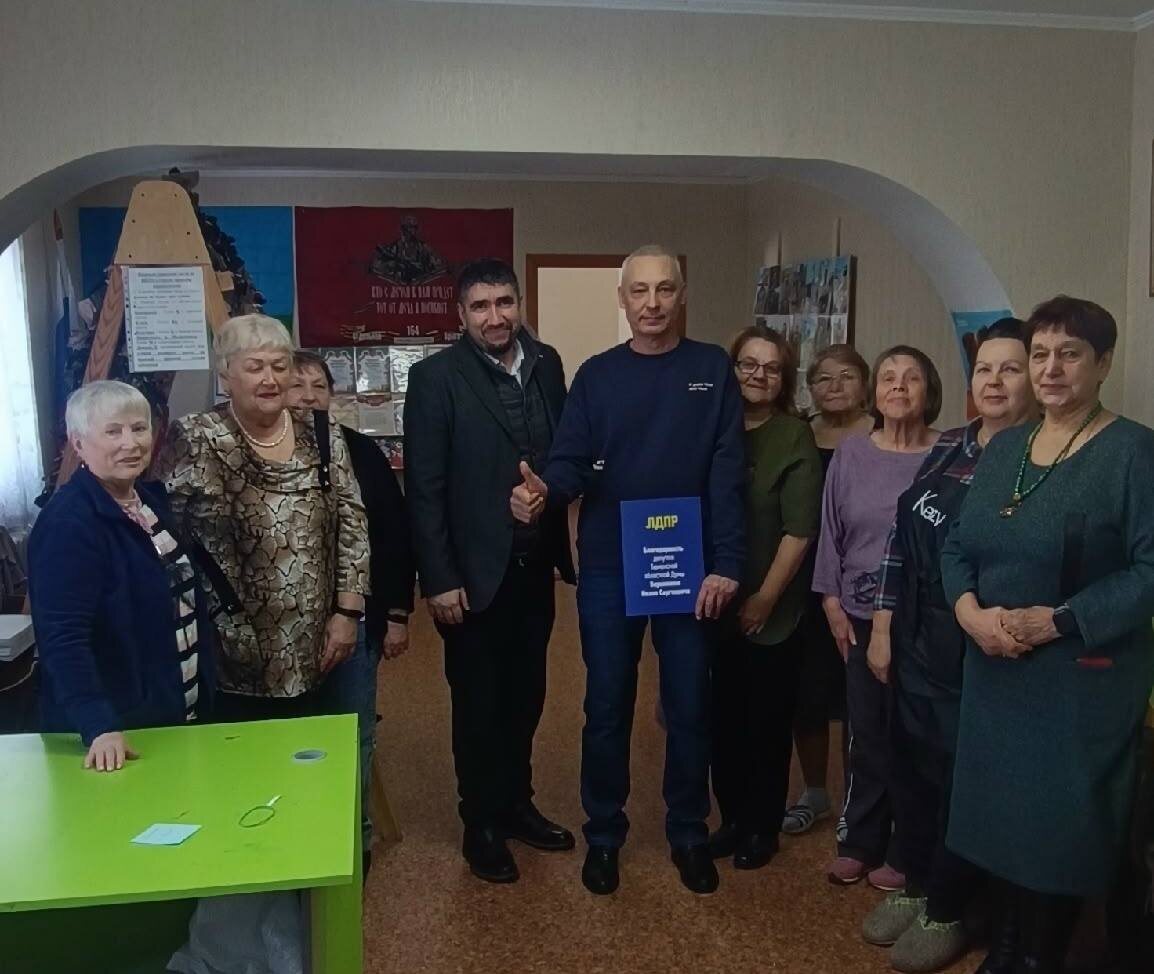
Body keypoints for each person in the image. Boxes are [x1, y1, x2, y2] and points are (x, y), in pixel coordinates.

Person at [512, 244, 745, 896]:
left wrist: (728, 563)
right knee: (607, 704)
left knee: (689, 706)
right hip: (612, 565)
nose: (652, 303)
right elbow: (570, 460)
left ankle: (688, 832)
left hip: (688, 567)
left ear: (682, 295)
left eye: (664, 289)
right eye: (639, 290)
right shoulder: (597, 375)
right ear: (623, 299)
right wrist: (546, 491)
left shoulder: (710, 369)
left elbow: (727, 471)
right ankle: (605, 834)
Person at [940, 296, 1154, 974]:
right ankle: (1005, 946)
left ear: (1103, 363)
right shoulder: (1006, 446)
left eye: (1070, 354)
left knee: (1056, 823)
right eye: (1040, 355)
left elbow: (1150, 570)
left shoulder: (1134, 453)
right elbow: (958, 545)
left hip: (1078, 675)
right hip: (995, 666)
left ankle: (1038, 957)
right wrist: (968, 612)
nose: (1051, 369)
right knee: (1001, 814)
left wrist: (1057, 620)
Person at [861, 319, 1036, 970]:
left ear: (1035, 380)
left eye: (1010, 369)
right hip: (913, 632)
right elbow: (899, 539)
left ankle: (949, 906)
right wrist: (883, 625)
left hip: (976, 644)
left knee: (961, 779)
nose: (994, 381)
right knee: (911, 767)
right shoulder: (950, 444)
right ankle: (914, 882)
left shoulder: (1036, 459)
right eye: (984, 368)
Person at [404, 258, 576, 884]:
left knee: (527, 695)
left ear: (520, 304)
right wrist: (439, 578)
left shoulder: (547, 363)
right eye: (480, 306)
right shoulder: (434, 379)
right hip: (471, 574)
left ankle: (515, 804)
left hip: (534, 566)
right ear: (461, 314)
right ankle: (479, 821)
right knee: (479, 702)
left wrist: (548, 491)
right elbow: (425, 489)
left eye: (504, 302)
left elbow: (562, 452)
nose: (495, 317)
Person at [157, 314, 369, 720]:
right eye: (255, 368)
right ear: (226, 375)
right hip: (231, 640)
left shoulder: (322, 431)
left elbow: (352, 524)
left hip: (319, 638)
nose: (270, 379)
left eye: (280, 366)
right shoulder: (196, 437)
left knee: (315, 747)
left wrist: (347, 614)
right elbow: (170, 540)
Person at [29, 381, 214, 770]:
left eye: (139, 428)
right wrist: (97, 725)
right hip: (116, 733)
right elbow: (62, 638)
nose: (130, 443)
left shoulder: (148, 500)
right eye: (113, 432)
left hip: (172, 710)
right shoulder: (69, 523)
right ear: (79, 444)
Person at [812, 344, 941, 889]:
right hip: (859, 613)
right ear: (875, 390)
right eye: (889, 376)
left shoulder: (948, 455)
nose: (899, 386)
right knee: (866, 733)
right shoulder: (851, 454)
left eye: (912, 377)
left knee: (916, 736)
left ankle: (906, 847)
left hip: (926, 619)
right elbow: (830, 531)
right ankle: (859, 840)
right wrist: (831, 601)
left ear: (929, 391)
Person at [287, 351, 415, 870]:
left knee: (352, 731)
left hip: (355, 621)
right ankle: (295, 833)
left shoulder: (360, 451)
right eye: (297, 386)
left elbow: (393, 535)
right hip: (283, 628)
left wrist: (398, 614)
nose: (308, 397)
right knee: (292, 733)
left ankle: (351, 840)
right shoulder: (258, 454)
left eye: (318, 387)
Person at [707, 325, 822, 871]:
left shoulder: (793, 436)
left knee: (765, 723)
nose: (758, 375)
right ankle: (731, 819)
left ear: (785, 378)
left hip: (770, 606)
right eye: (748, 364)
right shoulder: (713, 425)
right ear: (731, 370)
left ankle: (761, 826)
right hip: (711, 602)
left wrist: (764, 599)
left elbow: (799, 531)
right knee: (723, 719)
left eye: (771, 368)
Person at [784, 345, 874, 836]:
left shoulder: (884, 435)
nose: (835, 386)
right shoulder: (799, 433)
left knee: (859, 696)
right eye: (823, 378)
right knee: (809, 691)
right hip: (803, 580)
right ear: (810, 387)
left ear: (865, 384)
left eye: (847, 376)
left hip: (862, 582)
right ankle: (815, 792)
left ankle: (857, 803)